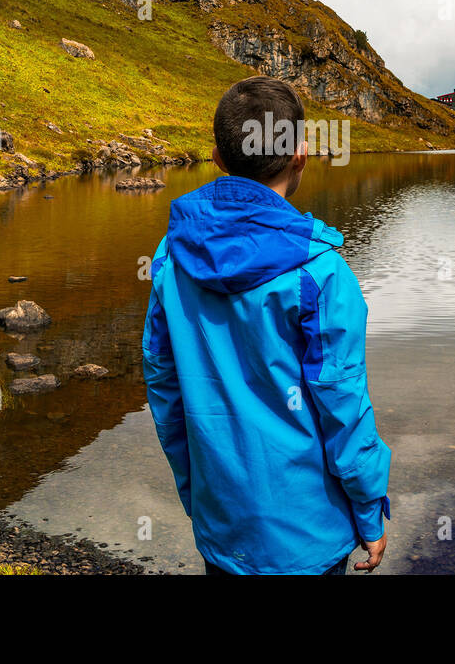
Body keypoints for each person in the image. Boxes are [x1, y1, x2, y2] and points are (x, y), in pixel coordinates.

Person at [142, 76, 391, 575]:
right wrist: (369, 512)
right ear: (300, 155)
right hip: (308, 536)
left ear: (216, 156)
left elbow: (165, 388)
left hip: (223, 525)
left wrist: (197, 492)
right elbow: (343, 405)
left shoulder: (171, 255)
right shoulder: (321, 272)